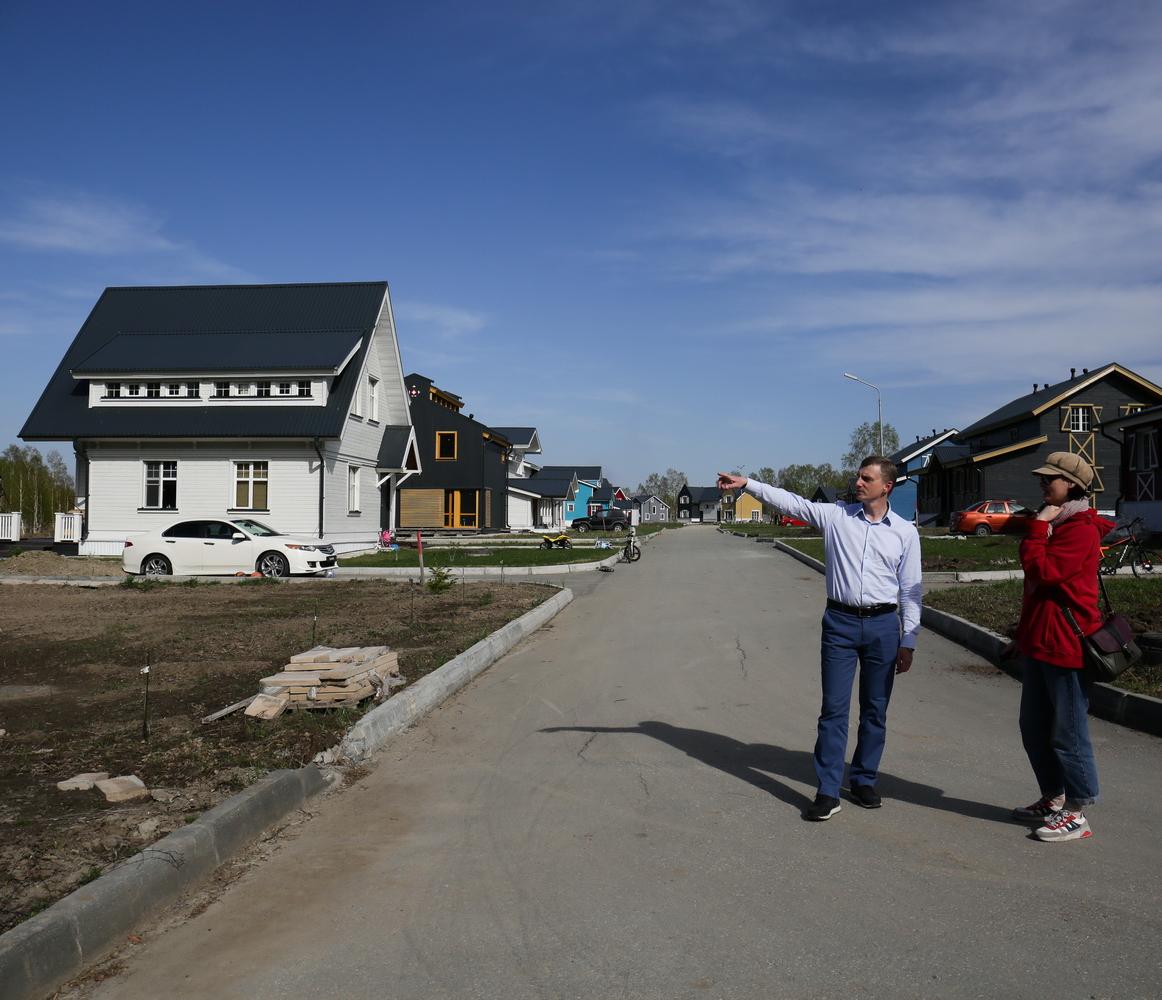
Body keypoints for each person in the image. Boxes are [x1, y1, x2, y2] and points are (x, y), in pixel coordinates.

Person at [717, 459, 922, 821]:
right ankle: (828, 791)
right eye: (858, 476)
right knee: (833, 711)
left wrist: (909, 640)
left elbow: (910, 591)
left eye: (866, 478)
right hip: (840, 624)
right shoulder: (836, 517)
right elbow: (789, 502)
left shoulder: (905, 533)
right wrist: (747, 483)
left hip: (883, 628)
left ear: (886, 486)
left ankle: (863, 779)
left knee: (875, 710)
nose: (857, 482)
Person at [1009, 452, 1112, 843]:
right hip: (1040, 643)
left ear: (1071, 484)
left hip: (1067, 646)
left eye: (1049, 478)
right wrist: (1022, 635)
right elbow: (1036, 588)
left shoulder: (1080, 528)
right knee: (1033, 727)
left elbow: (1045, 571)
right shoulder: (1058, 522)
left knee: (1068, 733)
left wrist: (1037, 529)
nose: (1042, 484)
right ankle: (1054, 797)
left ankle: (1078, 811)